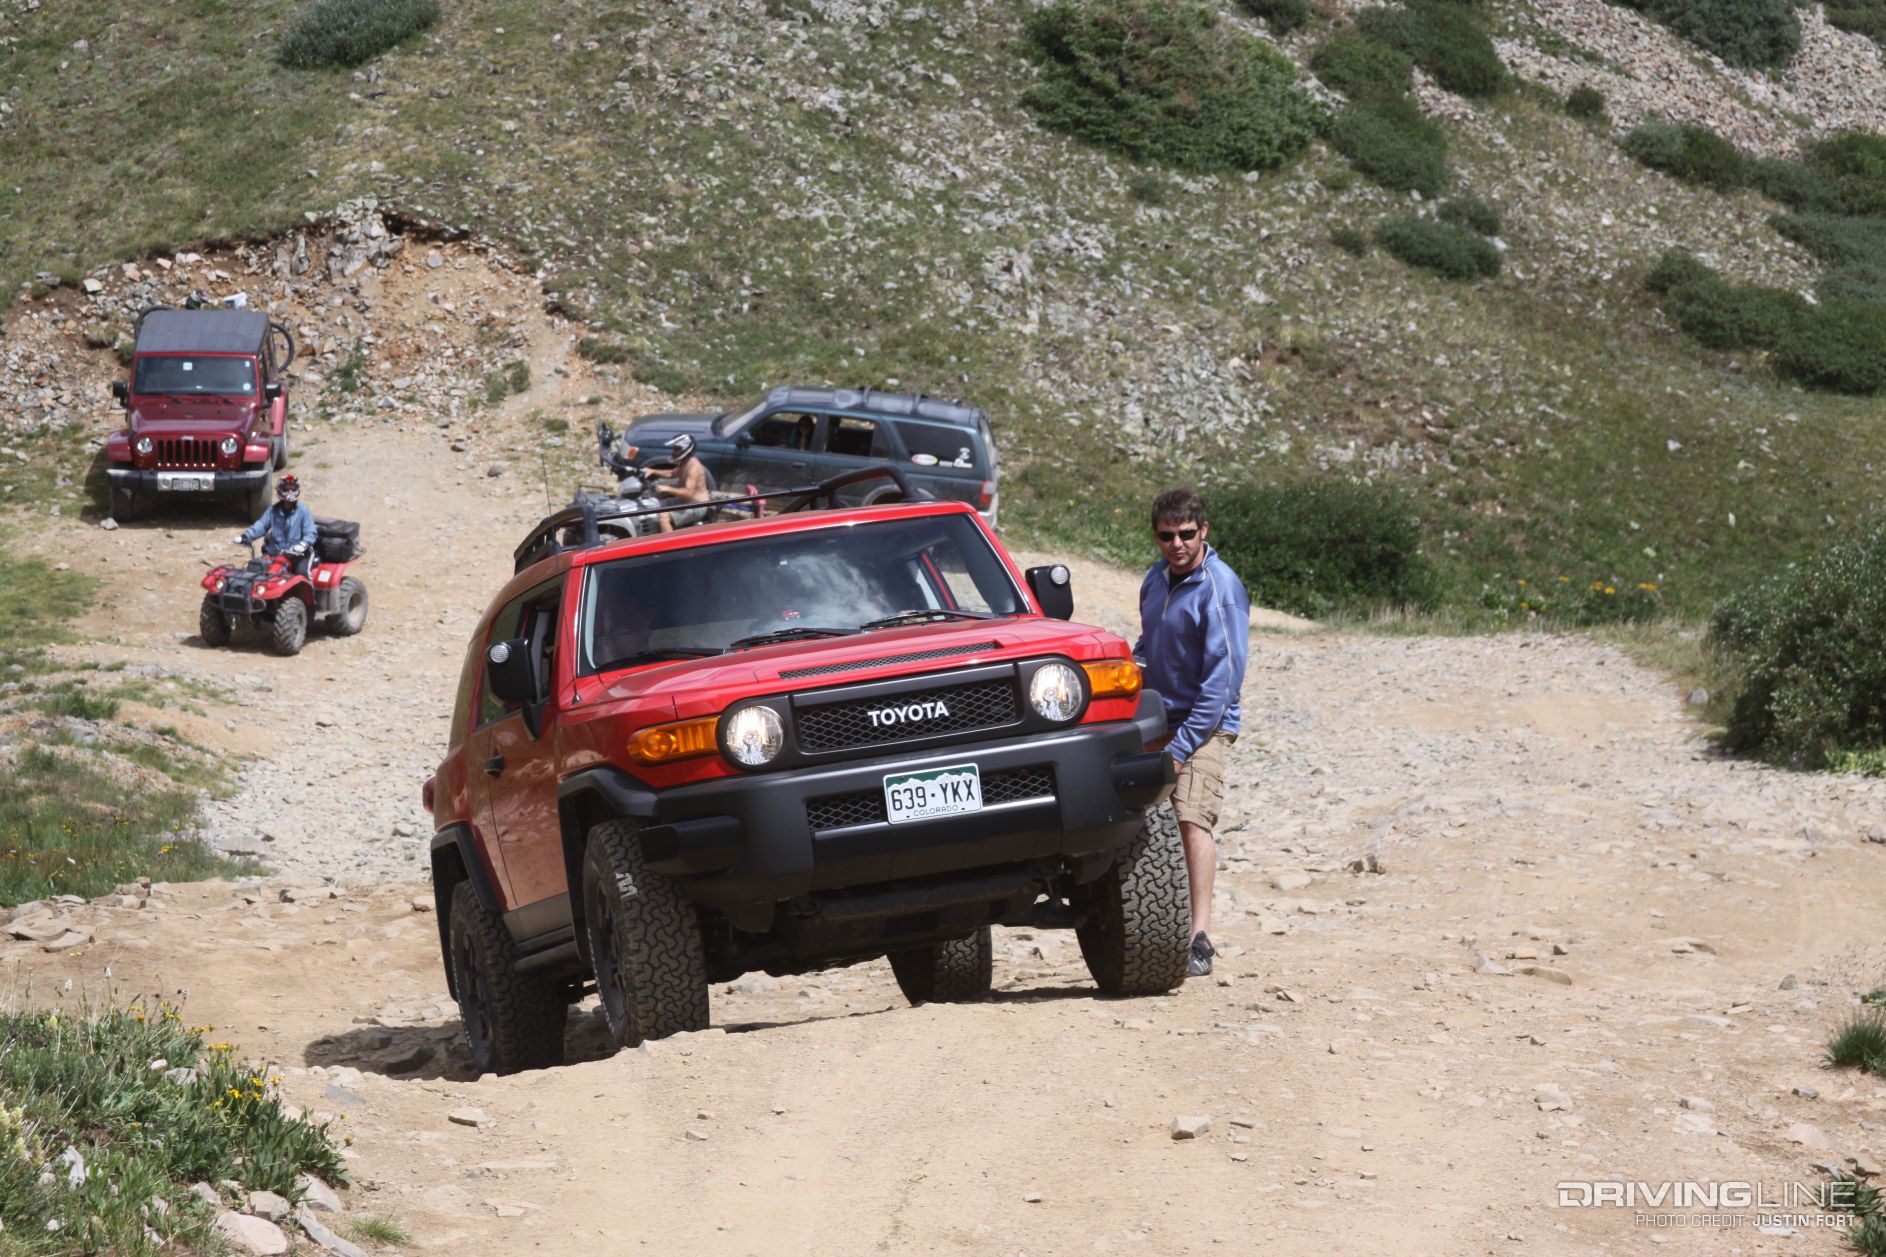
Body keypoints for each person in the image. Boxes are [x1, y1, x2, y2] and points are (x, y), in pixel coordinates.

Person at [1134, 488, 1250, 978]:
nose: (1176, 544)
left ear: (1204, 531)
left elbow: (1222, 684)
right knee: (1144, 821)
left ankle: (1198, 938)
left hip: (1206, 725)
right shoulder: (1153, 581)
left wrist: (1181, 749)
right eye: (1167, 536)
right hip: (1160, 719)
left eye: (1186, 534)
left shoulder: (1220, 588)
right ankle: (1154, 927)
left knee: (1189, 820)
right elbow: (1147, 646)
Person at [235, 474, 317, 574]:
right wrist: (246, 536)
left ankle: (310, 589)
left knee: (302, 573)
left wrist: (303, 544)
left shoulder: (303, 511)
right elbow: (261, 525)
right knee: (256, 569)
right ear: (280, 489)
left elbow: (311, 532)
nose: (290, 491)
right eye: (287, 488)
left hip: (298, 554)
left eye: (293, 488)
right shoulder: (273, 510)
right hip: (275, 553)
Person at [645, 433, 712, 532]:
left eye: (677, 449)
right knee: (655, 505)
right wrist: (652, 471)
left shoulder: (693, 467)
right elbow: (671, 473)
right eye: (674, 449)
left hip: (697, 505)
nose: (674, 452)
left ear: (686, 449)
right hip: (685, 501)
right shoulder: (684, 462)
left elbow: (688, 494)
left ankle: (670, 545)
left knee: (664, 517)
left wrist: (667, 489)